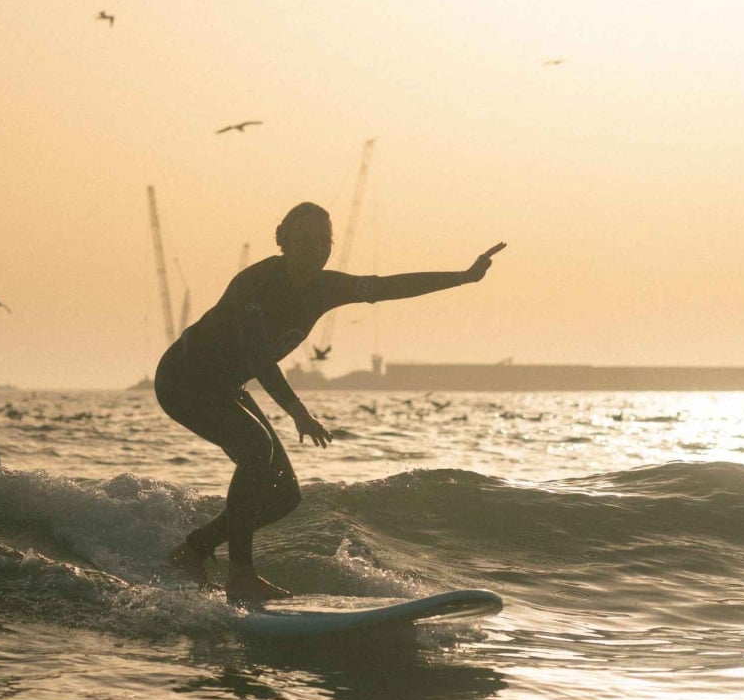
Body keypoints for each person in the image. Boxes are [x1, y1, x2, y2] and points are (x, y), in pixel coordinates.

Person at [157, 201, 504, 601]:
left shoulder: (326, 287)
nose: (314, 248)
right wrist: (298, 413)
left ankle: (193, 551)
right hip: (182, 380)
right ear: (283, 240)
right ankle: (240, 576)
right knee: (256, 450)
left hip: (223, 387)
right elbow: (258, 358)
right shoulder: (255, 284)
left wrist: (462, 277)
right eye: (303, 239)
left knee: (285, 496)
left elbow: (387, 286)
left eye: (323, 241)